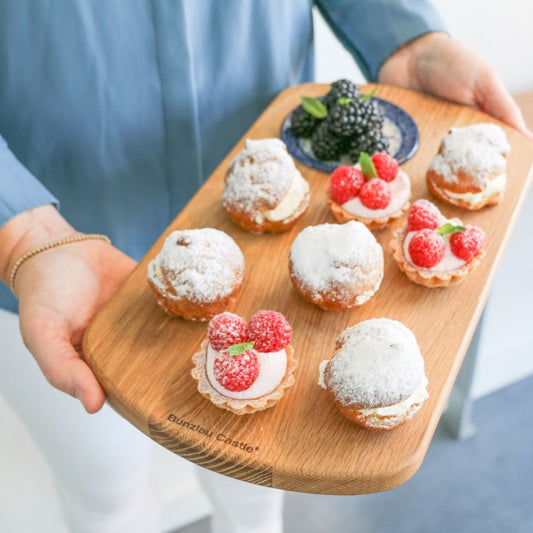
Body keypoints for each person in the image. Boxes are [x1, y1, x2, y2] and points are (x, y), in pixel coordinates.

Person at [0, 1, 531, 532]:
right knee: (106, 493)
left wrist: (406, 37)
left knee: (255, 489)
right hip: (53, 245)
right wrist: (20, 227)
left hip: (280, 165)